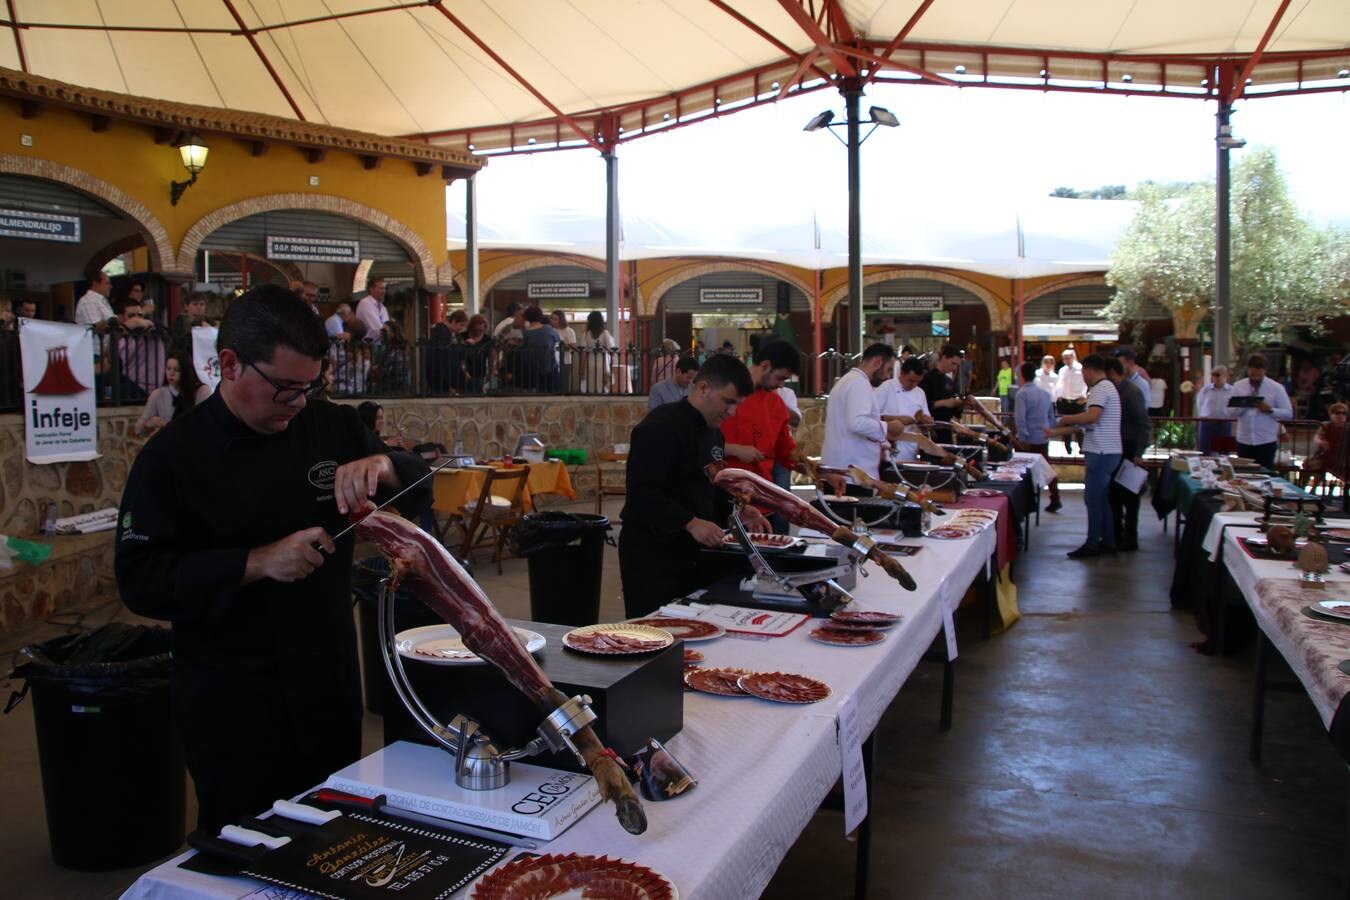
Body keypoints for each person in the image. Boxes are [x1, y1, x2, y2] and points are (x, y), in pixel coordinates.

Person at [115, 284, 432, 835]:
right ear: (230, 364)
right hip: (232, 700)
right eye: (285, 389)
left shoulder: (329, 427)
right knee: (248, 844)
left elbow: (421, 482)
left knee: (335, 836)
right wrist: (255, 563)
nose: (298, 404)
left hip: (327, 685)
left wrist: (384, 464)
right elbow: (140, 580)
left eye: (310, 388)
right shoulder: (172, 458)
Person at [619, 354, 768, 616]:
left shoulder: (715, 433)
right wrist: (689, 521)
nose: (732, 412)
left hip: (697, 554)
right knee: (654, 636)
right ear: (702, 388)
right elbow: (642, 494)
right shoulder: (659, 427)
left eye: (738, 405)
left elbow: (712, 485)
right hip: (654, 555)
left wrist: (738, 509)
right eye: (728, 402)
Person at [719, 341, 799, 532]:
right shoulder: (722, 392)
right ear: (765, 366)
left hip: (762, 501)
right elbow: (696, 443)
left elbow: (786, 450)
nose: (781, 385)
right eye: (780, 378)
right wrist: (735, 449)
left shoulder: (775, 403)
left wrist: (818, 470)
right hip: (723, 500)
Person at [1049, 354, 1121, 558]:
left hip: (1101, 451)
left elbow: (1092, 417)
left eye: (1083, 373)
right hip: (1107, 451)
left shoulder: (1100, 389)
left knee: (1093, 499)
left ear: (1089, 370)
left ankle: (1093, 544)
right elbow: (1088, 423)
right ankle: (1108, 541)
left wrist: (1066, 418)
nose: (1083, 378)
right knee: (1101, 499)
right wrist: (1056, 431)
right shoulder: (1107, 388)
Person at [821, 343, 896, 481]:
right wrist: (888, 427)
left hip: (844, 467)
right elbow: (856, 423)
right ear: (878, 362)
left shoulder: (849, 380)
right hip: (851, 471)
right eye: (889, 369)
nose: (888, 377)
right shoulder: (858, 383)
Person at [1104, 357, 1151, 552]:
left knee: (1130, 497)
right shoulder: (1116, 391)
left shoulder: (1131, 393)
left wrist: (1139, 452)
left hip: (1130, 450)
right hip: (1116, 448)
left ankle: (1130, 538)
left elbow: (1144, 424)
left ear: (1113, 374)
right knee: (1114, 496)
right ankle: (1116, 534)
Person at [1012, 361, 1061, 513]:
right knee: (1046, 468)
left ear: (1021, 375)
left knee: (1023, 471)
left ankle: (1027, 501)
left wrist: (1023, 437)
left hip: (1028, 439)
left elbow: (1020, 419)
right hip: (1043, 436)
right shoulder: (1045, 394)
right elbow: (1051, 418)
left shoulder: (1022, 394)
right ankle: (1055, 497)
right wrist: (1049, 431)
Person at [1228, 353, 1293, 469]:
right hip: (1244, 440)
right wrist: (1245, 403)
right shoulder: (1238, 386)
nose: (1255, 378)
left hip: (1266, 441)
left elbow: (1288, 413)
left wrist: (1270, 410)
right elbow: (1230, 413)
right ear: (1248, 370)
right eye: (1253, 375)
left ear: (1265, 371)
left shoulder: (1276, 388)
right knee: (1243, 474)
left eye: (1259, 375)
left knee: (1265, 474)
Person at [133, 355, 212, 437]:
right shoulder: (158, 394)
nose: (171, 373)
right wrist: (148, 424)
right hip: (169, 444)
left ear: (186, 372)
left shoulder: (201, 391)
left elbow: (207, 423)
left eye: (176, 370)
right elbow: (138, 430)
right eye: (168, 368)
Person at [876, 356, 931, 468]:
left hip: (911, 448)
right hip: (888, 446)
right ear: (902, 373)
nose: (913, 385)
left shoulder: (920, 393)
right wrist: (897, 419)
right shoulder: (886, 388)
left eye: (917, 382)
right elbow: (873, 417)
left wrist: (925, 422)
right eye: (911, 380)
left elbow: (926, 419)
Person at [920, 343, 965, 442]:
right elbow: (921, 406)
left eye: (956, 365)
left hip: (947, 428)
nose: (954, 368)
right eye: (953, 363)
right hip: (931, 428)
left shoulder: (949, 381)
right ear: (944, 358)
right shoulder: (927, 379)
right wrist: (944, 402)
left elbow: (955, 412)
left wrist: (960, 405)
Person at [1054, 348, 1088, 454]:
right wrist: (1058, 396)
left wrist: (1084, 395)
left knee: (1079, 426)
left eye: (1068, 358)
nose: (1067, 360)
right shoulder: (1062, 370)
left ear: (1073, 357)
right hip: (1065, 401)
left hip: (1077, 401)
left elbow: (1085, 382)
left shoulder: (1081, 368)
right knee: (1065, 426)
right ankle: (1067, 449)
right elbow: (1059, 384)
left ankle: (1081, 447)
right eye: (1064, 358)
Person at [1307, 402, 1348, 487]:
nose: (1341, 415)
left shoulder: (1348, 427)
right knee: (1308, 465)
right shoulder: (1326, 425)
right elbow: (1317, 437)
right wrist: (1321, 442)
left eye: (1344, 413)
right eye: (1337, 413)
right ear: (1331, 415)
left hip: (1343, 458)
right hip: (1325, 457)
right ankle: (1306, 493)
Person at [521, 305, 561, 392]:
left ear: (527, 317)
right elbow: (558, 339)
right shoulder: (548, 329)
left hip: (533, 369)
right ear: (540, 316)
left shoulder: (525, 333)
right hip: (550, 367)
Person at [1195, 366, 1234, 453]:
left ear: (1225, 376)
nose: (1215, 377)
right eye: (1213, 375)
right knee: (1204, 452)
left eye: (1218, 375)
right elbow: (1200, 404)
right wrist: (1202, 416)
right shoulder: (1206, 390)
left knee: (1223, 453)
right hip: (1207, 424)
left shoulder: (1232, 390)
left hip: (1223, 424)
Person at [581, 310, 616, 394]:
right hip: (603, 361)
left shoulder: (586, 334)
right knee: (602, 385)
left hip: (590, 361)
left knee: (591, 384)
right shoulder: (605, 333)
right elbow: (611, 349)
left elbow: (583, 351)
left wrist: (582, 367)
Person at [354, 276, 389, 344]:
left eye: (384, 288)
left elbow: (387, 327)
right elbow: (376, 328)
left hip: (381, 345)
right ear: (371, 289)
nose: (384, 291)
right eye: (381, 288)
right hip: (368, 346)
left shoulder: (383, 308)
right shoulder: (365, 303)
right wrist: (389, 332)